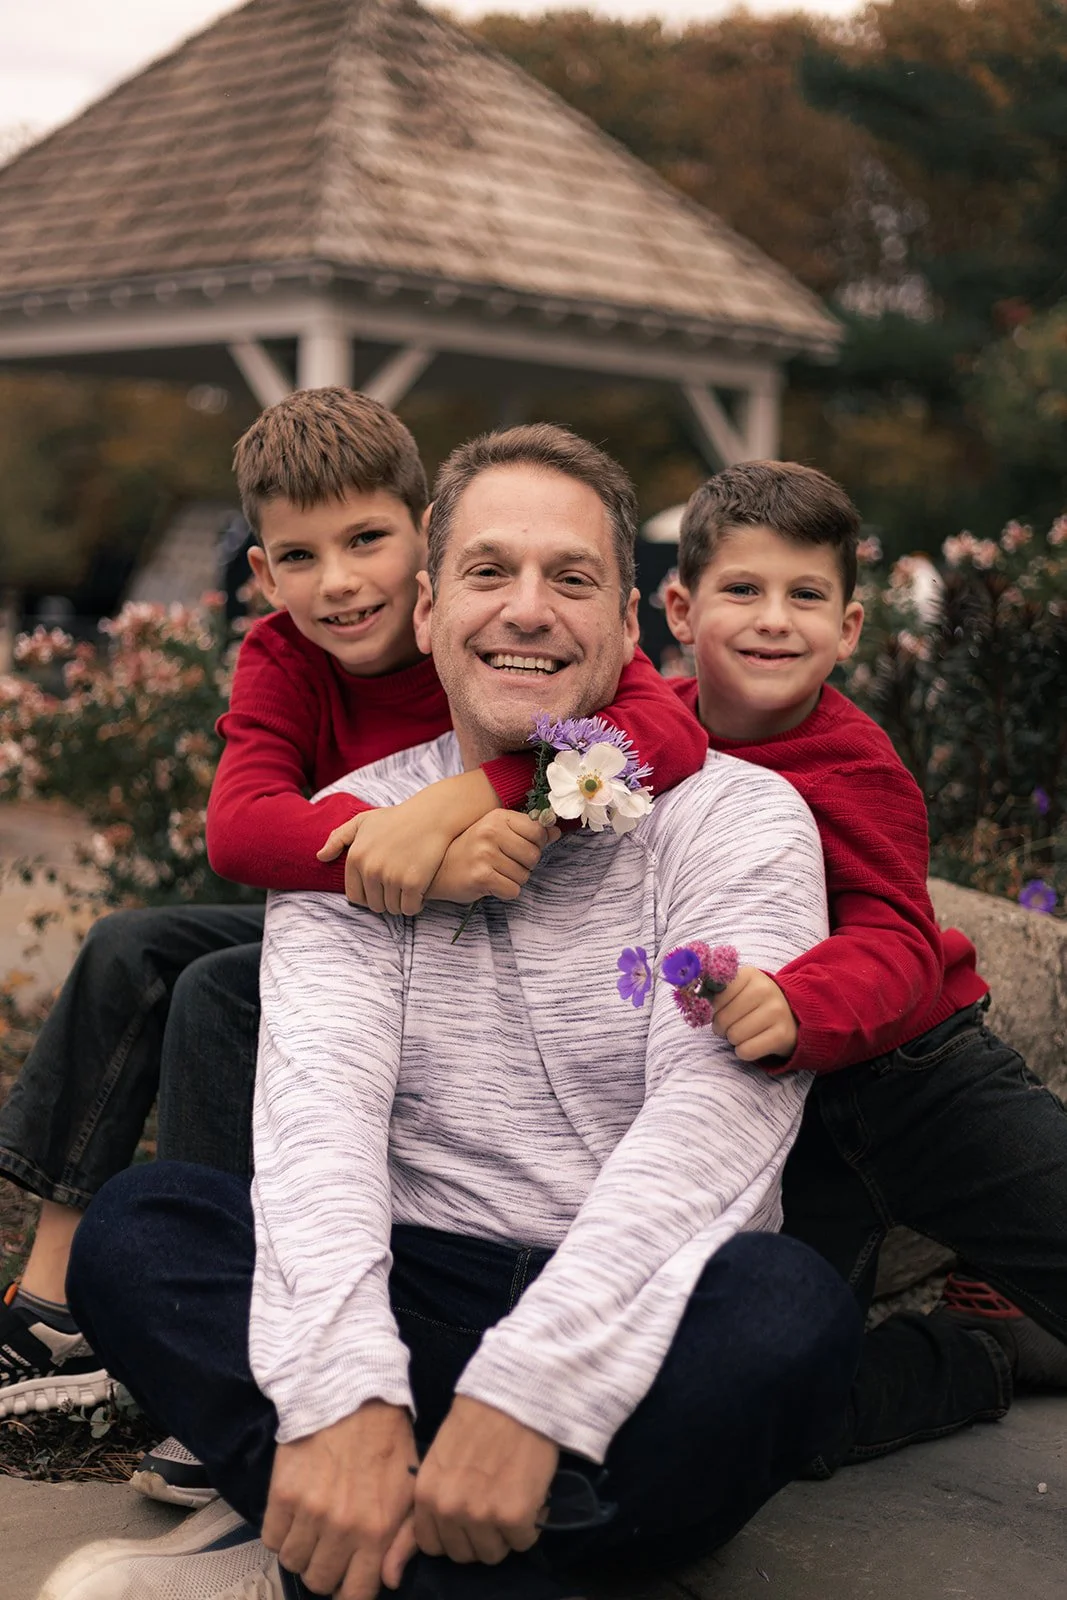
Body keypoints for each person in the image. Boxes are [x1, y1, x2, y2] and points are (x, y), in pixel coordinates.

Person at [42, 425, 862, 1600]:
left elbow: (714, 1131)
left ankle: (326, 1560)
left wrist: (526, 1389)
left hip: (635, 1300)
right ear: (426, 612)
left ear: (628, 627)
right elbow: (316, 1116)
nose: (526, 610)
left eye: (570, 578)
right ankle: (496, 1547)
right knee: (143, 1229)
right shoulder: (362, 822)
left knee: (787, 1314)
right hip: (418, 1281)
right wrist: (345, 1391)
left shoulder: (741, 816)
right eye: (488, 572)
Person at [0, 391, 707, 1457]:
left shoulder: (483, 628)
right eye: (299, 556)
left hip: (476, 940)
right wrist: (407, 851)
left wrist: (460, 799)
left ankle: (236, 1326)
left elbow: (657, 725)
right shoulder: (286, 656)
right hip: (357, 913)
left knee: (220, 989)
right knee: (129, 948)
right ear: (262, 577)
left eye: (366, 540)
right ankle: (52, 1301)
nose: (338, 581)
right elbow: (240, 831)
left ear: (426, 544)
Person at [662, 459, 1067, 1469]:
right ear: (678, 607)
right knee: (775, 1412)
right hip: (776, 1118)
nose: (772, 620)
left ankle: (1010, 1281)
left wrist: (795, 1001)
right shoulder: (642, 743)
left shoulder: (856, 764)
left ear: (847, 628)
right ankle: (972, 1354)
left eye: (805, 596)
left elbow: (891, 936)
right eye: (741, 590)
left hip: (915, 1074)